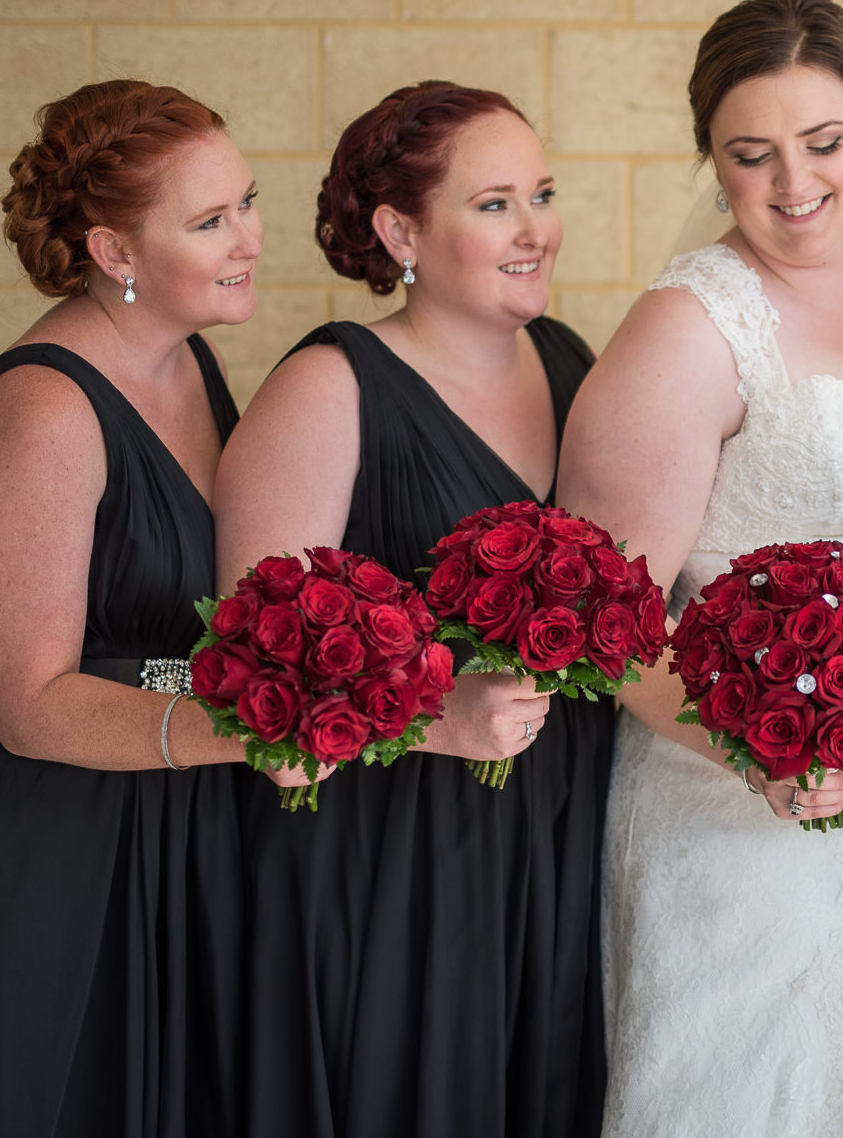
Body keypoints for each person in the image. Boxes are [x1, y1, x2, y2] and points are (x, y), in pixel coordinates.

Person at [557, 0, 843, 1136]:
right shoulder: (685, 328)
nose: (794, 184)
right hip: (753, 794)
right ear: (711, 160)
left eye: (823, 143)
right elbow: (592, 617)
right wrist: (752, 743)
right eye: (749, 154)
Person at [0, 80, 283, 1137]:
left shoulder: (190, 359)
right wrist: (261, 726)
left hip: (164, 815)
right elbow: (31, 699)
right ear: (114, 252)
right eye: (210, 221)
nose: (249, 237)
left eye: (246, 201)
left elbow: (171, 646)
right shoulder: (43, 410)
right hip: (37, 842)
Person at [212, 81, 608, 1138]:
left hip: (554, 827)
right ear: (399, 231)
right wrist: (438, 719)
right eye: (492, 205)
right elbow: (248, 674)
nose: (535, 228)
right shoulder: (328, 388)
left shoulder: (571, 363)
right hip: (391, 849)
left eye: (542, 192)